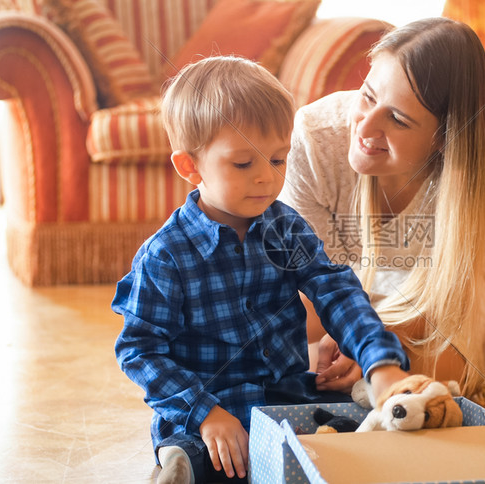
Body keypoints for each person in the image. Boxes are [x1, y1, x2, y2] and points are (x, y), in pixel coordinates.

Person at [112, 56, 410, 484]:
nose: (266, 180)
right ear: (189, 167)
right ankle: (183, 465)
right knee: (211, 457)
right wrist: (205, 412)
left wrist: (380, 362)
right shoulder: (166, 255)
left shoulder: (286, 227)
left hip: (284, 397)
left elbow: (336, 290)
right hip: (209, 407)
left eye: (277, 159)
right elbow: (138, 350)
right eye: (243, 164)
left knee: (350, 428)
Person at [279, 17, 485, 401]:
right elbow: (314, 290)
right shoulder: (315, 138)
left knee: (442, 379)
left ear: (443, 139)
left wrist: (373, 348)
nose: (365, 128)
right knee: (297, 364)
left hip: (439, 295)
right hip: (337, 290)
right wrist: (360, 341)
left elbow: (445, 298)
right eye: (368, 96)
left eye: (399, 119)